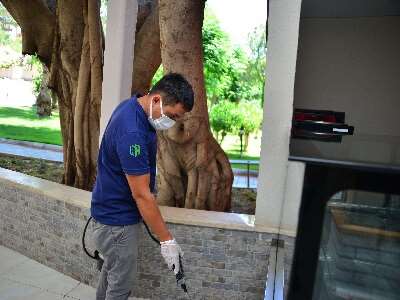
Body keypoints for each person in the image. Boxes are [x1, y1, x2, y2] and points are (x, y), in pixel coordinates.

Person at [90, 73, 194, 300]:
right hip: (117, 223)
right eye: (173, 115)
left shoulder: (132, 106)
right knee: (120, 286)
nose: (172, 122)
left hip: (110, 216)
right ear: (156, 100)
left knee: (111, 271)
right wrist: (167, 241)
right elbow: (142, 195)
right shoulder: (133, 134)